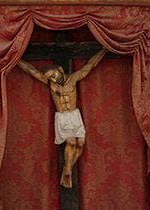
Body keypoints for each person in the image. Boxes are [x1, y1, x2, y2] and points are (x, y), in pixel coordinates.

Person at [15, 48, 107, 188]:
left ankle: (66, 168)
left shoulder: (74, 78)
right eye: (50, 78)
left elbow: (91, 65)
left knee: (80, 143)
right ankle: (68, 171)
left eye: (53, 74)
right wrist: (15, 58)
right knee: (71, 142)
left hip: (75, 116)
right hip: (62, 117)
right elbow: (31, 70)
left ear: (60, 69)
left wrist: (104, 50)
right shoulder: (51, 84)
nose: (53, 78)